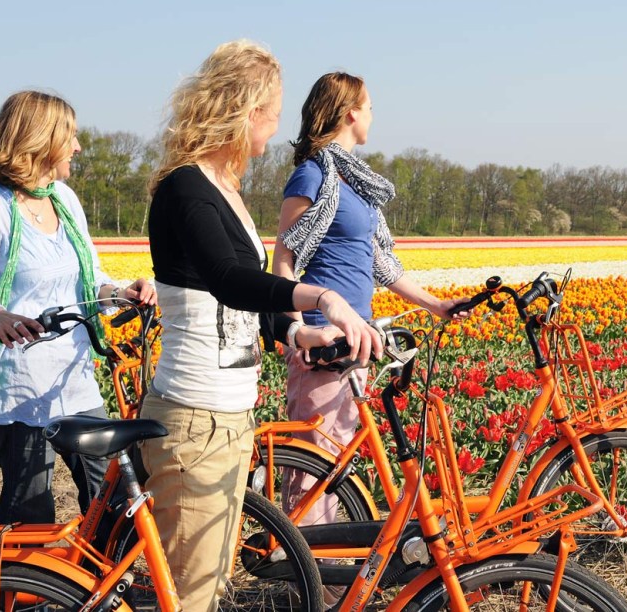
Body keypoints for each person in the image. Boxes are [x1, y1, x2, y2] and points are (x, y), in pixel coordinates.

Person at [141, 41, 382, 611]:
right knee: (191, 593)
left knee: (212, 576)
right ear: (247, 111)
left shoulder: (226, 189)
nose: (274, 132)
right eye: (271, 117)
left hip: (229, 411)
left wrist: (299, 332)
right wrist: (323, 297)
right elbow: (226, 278)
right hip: (194, 414)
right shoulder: (185, 187)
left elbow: (248, 292)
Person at [273, 72, 468, 528]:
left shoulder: (353, 182)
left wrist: (435, 306)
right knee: (315, 464)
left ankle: (328, 573)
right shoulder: (312, 174)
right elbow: (282, 265)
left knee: (338, 457)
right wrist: (300, 332)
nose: (374, 115)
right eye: (371, 106)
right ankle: (307, 576)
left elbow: (379, 263)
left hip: (357, 335)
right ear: (350, 113)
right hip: (325, 340)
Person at [0, 90, 156, 525]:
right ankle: (23, 592)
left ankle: (92, 591)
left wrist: (121, 292)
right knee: (32, 514)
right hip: (23, 387)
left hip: (74, 379)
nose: (79, 147)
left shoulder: (65, 200)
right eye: (72, 136)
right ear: (40, 141)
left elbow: (91, 279)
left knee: (113, 504)